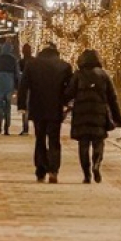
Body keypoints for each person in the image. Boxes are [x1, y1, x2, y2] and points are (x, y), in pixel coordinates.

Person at [63, 48, 121, 184]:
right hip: (99, 114)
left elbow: (68, 94)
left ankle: (87, 175)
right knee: (98, 142)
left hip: (81, 115)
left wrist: (63, 103)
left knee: (83, 145)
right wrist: (117, 118)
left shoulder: (78, 75)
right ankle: (97, 164)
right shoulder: (104, 75)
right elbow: (112, 98)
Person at [17, 42, 72, 183]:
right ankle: (53, 170)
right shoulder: (64, 66)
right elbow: (70, 89)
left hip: (37, 107)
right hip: (55, 108)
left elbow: (23, 86)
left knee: (39, 138)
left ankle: (40, 169)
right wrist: (66, 103)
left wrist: (22, 105)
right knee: (54, 139)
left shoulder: (32, 65)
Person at [0, 41, 20, 134]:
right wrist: (17, 86)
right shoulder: (13, 59)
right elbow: (17, 74)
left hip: (0, 82)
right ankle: (7, 126)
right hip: (10, 83)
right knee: (8, 105)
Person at [18, 43, 34, 135]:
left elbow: (19, 74)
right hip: (34, 86)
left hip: (25, 87)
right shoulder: (34, 61)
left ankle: (25, 128)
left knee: (25, 108)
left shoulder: (21, 62)